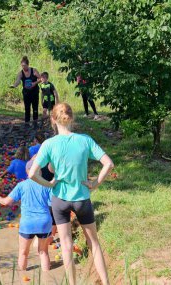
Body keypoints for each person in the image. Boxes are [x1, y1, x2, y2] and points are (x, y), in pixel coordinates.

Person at [28, 103, 114, 285]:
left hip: (59, 200)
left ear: (53, 120)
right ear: (72, 118)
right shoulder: (85, 140)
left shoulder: (49, 144)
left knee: (66, 245)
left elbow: (31, 174)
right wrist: (95, 183)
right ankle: (106, 283)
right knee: (94, 243)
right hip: (82, 198)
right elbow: (108, 164)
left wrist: (49, 183)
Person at [0, 160, 52, 272]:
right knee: (43, 252)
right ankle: (47, 277)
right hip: (44, 221)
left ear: (27, 171)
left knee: (23, 253)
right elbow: (52, 204)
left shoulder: (21, 185)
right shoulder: (47, 185)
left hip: (28, 223)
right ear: (40, 170)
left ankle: (22, 276)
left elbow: (6, 202)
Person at [10, 56, 41, 128]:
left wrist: (34, 83)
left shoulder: (34, 70)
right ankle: (27, 124)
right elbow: (17, 81)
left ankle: (35, 124)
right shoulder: (21, 73)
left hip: (34, 92)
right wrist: (14, 85)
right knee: (27, 108)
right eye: (22, 66)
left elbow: (40, 79)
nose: (23, 67)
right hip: (26, 93)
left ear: (28, 64)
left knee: (35, 108)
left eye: (24, 65)